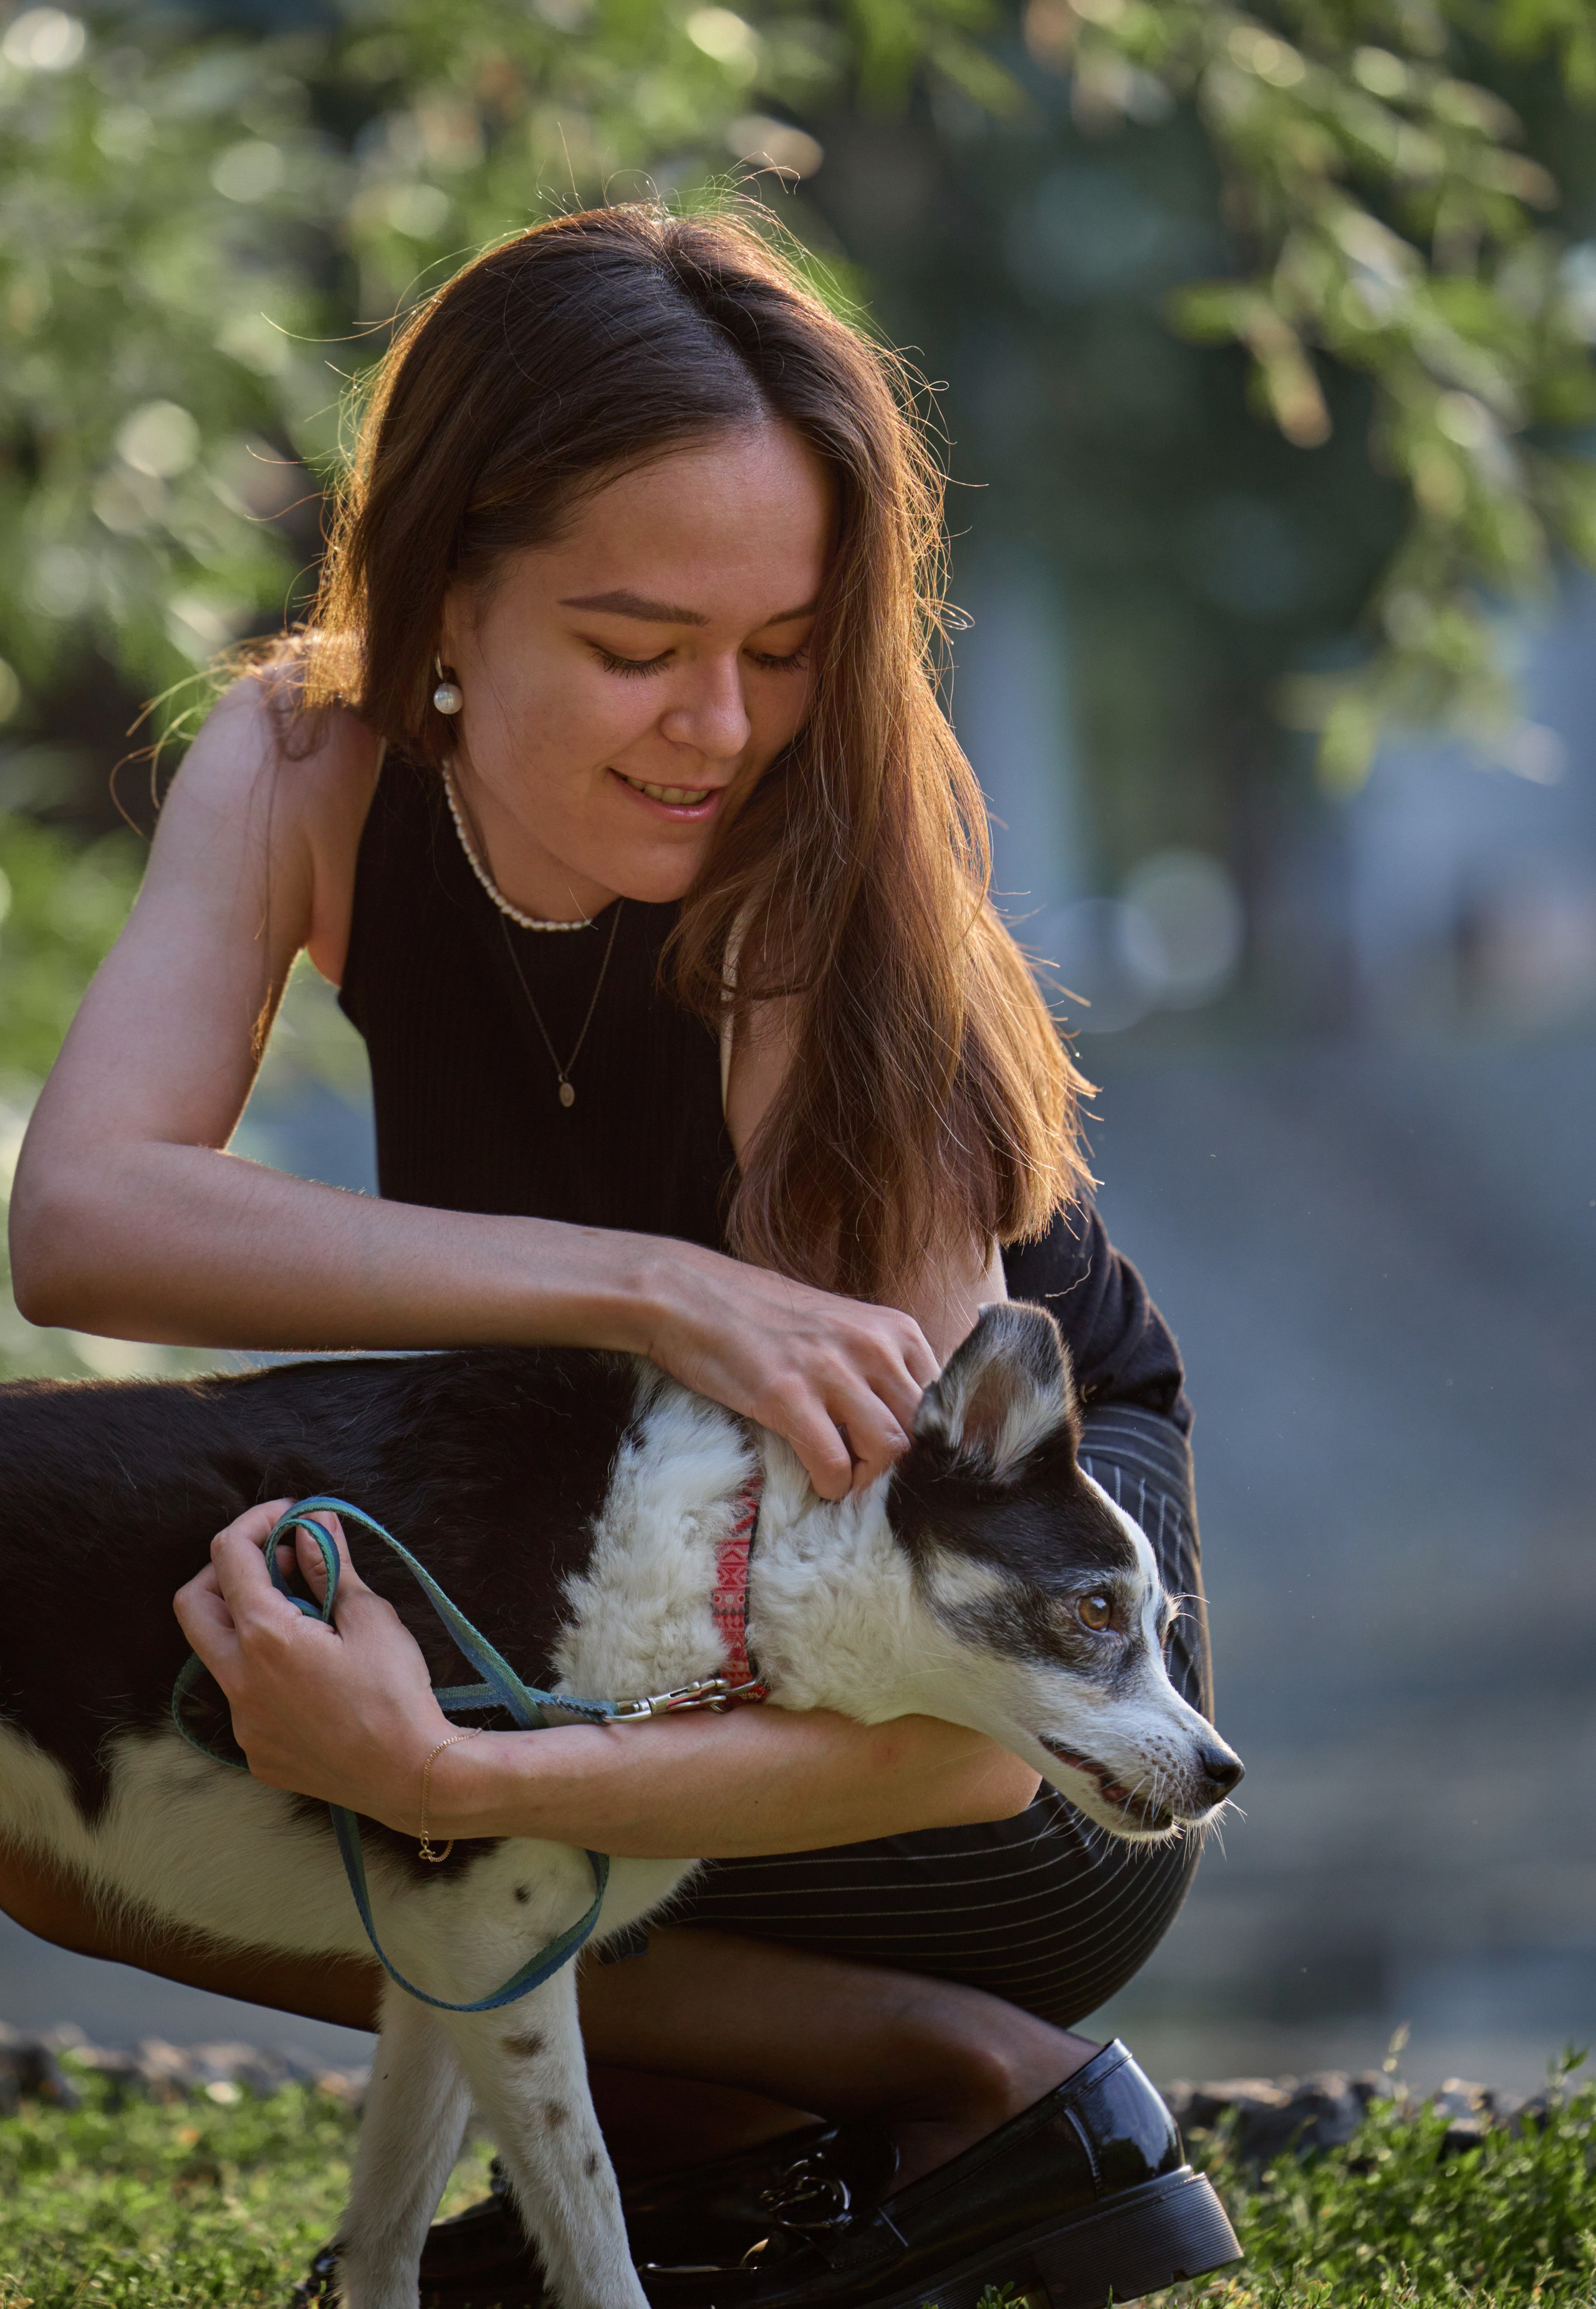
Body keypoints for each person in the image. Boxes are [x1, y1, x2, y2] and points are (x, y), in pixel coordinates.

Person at [6, 206, 1215, 2306]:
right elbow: (84, 1225)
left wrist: (441, 1773)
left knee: (383, 1779)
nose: (721, 728)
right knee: (50, 1751)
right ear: (447, 597)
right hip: (602, 1631)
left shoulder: (819, 885)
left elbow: (957, 1745)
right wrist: (649, 1284)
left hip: (981, 1748)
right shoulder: (303, 761)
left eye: (785, 647)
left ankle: (966, 2075)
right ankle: (734, 2134)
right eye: (639, 648)